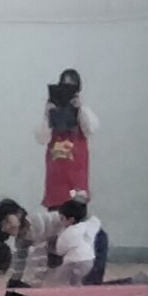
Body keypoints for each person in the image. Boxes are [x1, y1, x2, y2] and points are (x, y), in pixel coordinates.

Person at [39, 67, 97, 209]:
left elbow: (91, 128)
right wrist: (48, 114)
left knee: (75, 216)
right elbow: (41, 138)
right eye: (64, 86)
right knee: (55, 217)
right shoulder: (52, 111)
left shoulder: (83, 111)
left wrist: (79, 109)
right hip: (56, 182)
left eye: (71, 87)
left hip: (76, 184)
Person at [49, 197, 108, 286]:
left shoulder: (67, 233)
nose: (60, 222)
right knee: (78, 279)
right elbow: (95, 222)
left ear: (71, 220)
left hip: (72, 262)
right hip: (89, 261)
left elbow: (60, 250)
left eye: (62, 218)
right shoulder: (88, 226)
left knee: (59, 280)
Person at [0, 199, 40, 286]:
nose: (6, 227)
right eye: (2, 225)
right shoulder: (21, 240)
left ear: (19, 214)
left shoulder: (38, 225)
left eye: (7, 221)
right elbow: (18, 267)